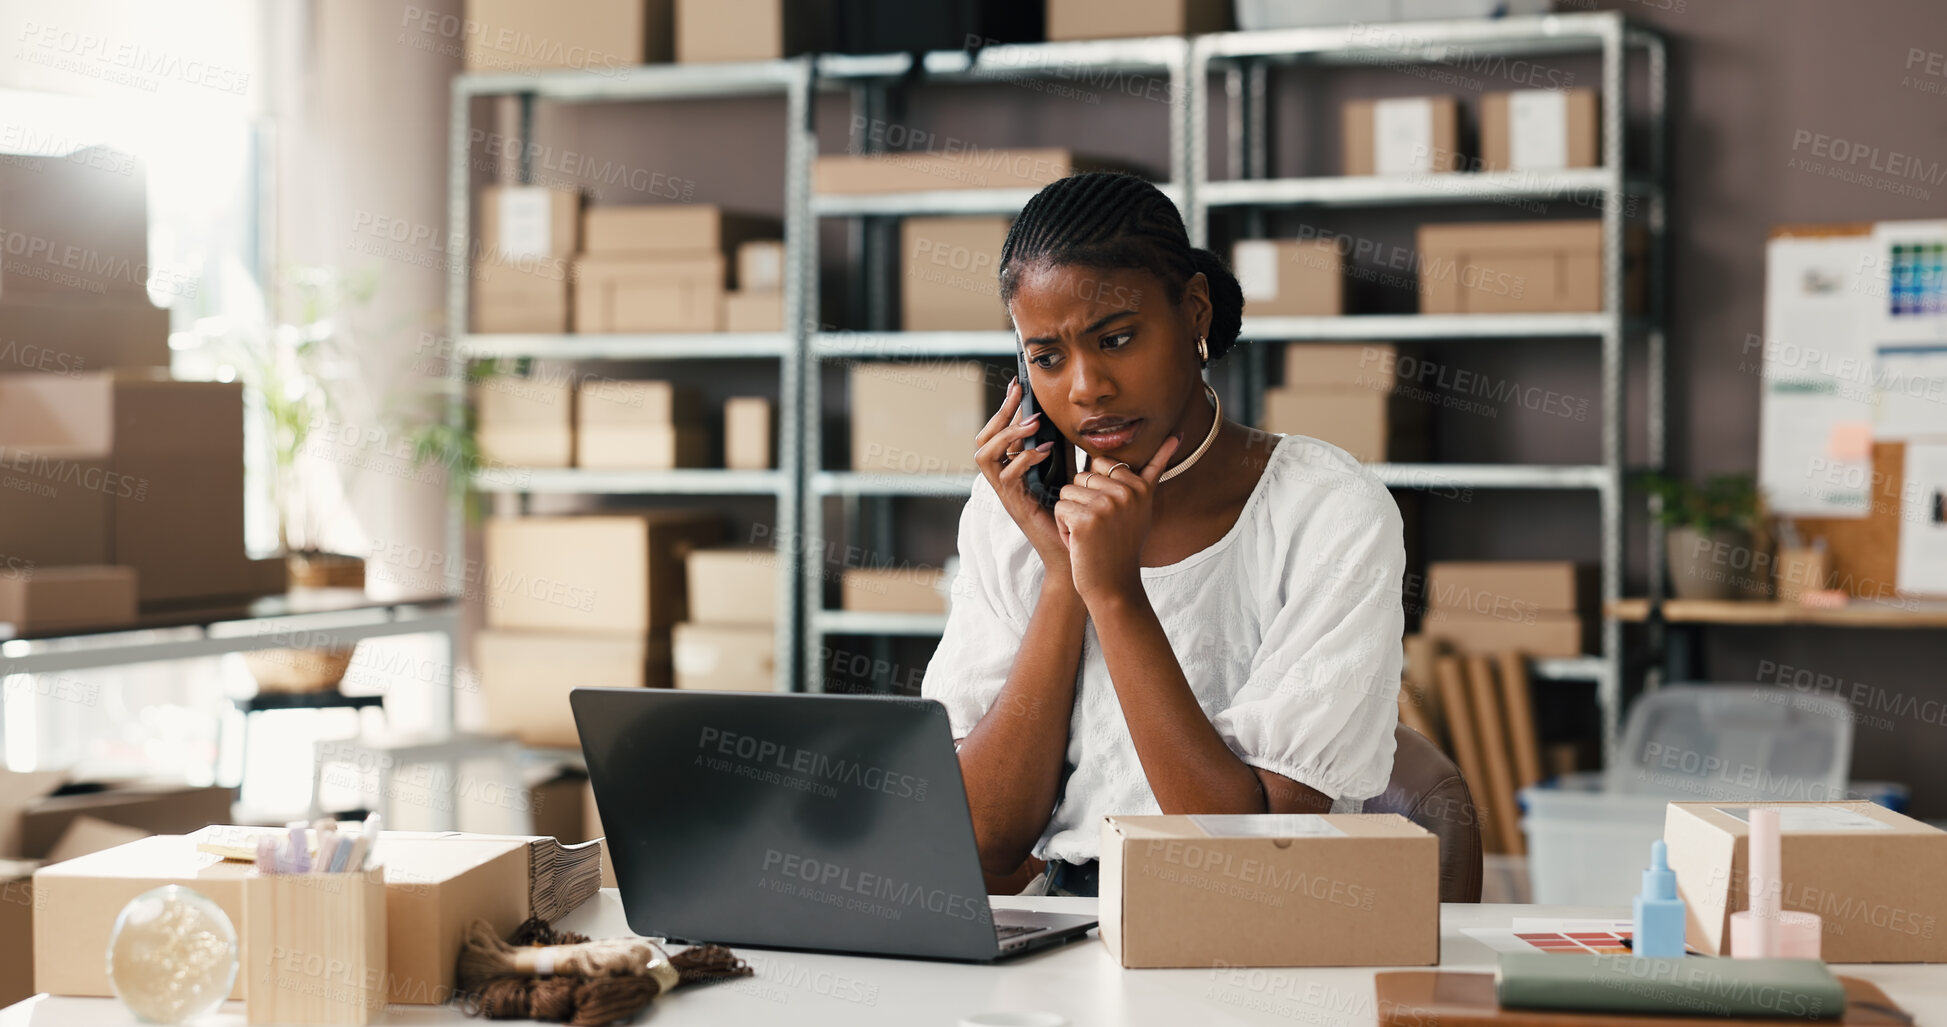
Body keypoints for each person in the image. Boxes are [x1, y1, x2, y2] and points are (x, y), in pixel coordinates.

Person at [918, 172, 1406, 897]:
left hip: (1255, 935)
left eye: (1115, 338)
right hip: (1065, 927)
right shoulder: (1011, 509)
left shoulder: (1328, 510)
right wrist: (1062, 576)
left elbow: (1249, 859)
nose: (1085, 388)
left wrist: (1113, 595)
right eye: (1046, 357)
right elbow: (984, 838)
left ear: (1194, 314)